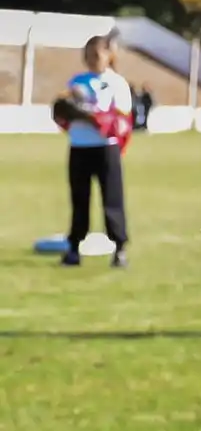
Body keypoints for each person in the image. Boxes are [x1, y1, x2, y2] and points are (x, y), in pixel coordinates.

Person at [57, 34, 133, 268]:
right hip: (79, 146)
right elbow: (64, 112)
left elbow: (120, 119)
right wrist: (64, 112)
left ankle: (119, 248)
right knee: (79, 199)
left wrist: (92, 117)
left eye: (96, 55)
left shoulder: (116, 83)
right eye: (88, 55)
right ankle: (73, 248)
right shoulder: (77, 81)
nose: (92, 60)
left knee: (111, 199)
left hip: (105, 148)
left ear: (109, 55)